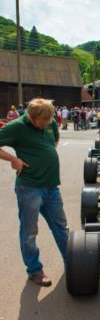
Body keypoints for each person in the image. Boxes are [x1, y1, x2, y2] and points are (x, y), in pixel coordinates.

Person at [0, 98, 68, 287]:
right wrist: (13, 159)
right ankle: (35, 271)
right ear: (31, 116)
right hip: (29, 188)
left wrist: (44, 154)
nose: (47, 124)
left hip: (52, 187)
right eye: (43, 122)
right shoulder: (16, 127)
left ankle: (72, 263)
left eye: (49, 120)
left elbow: (54, 140)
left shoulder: (50, 121)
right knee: (29, 232)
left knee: (61, 227)